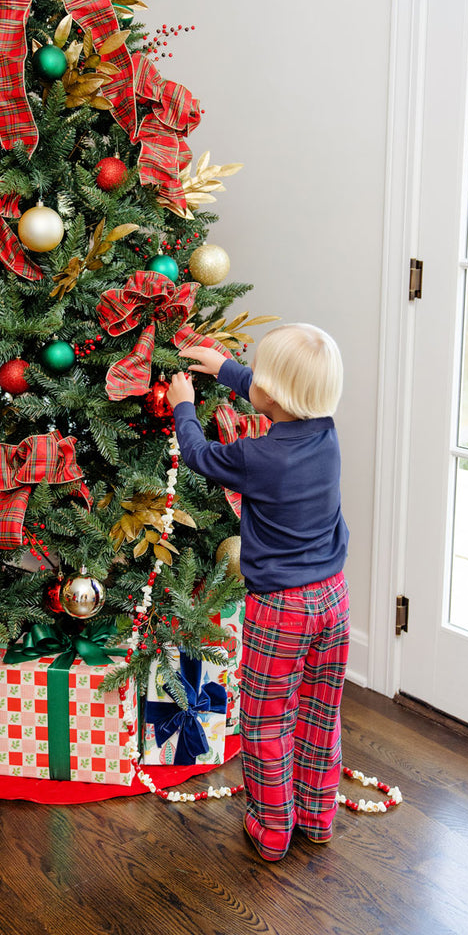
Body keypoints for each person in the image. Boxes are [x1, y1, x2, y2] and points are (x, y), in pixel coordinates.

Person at [167, 324, 349, 862]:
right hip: (333, 599)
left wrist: (184, 406)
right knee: (320, 710)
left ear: (273, 396)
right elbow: (274, 395)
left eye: (258, 381)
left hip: (281, 607)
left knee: (268, 717)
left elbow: (200, 456)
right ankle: (317, 817)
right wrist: (225, 368)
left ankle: (272, 829)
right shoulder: (326, 431)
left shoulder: (256, 457)